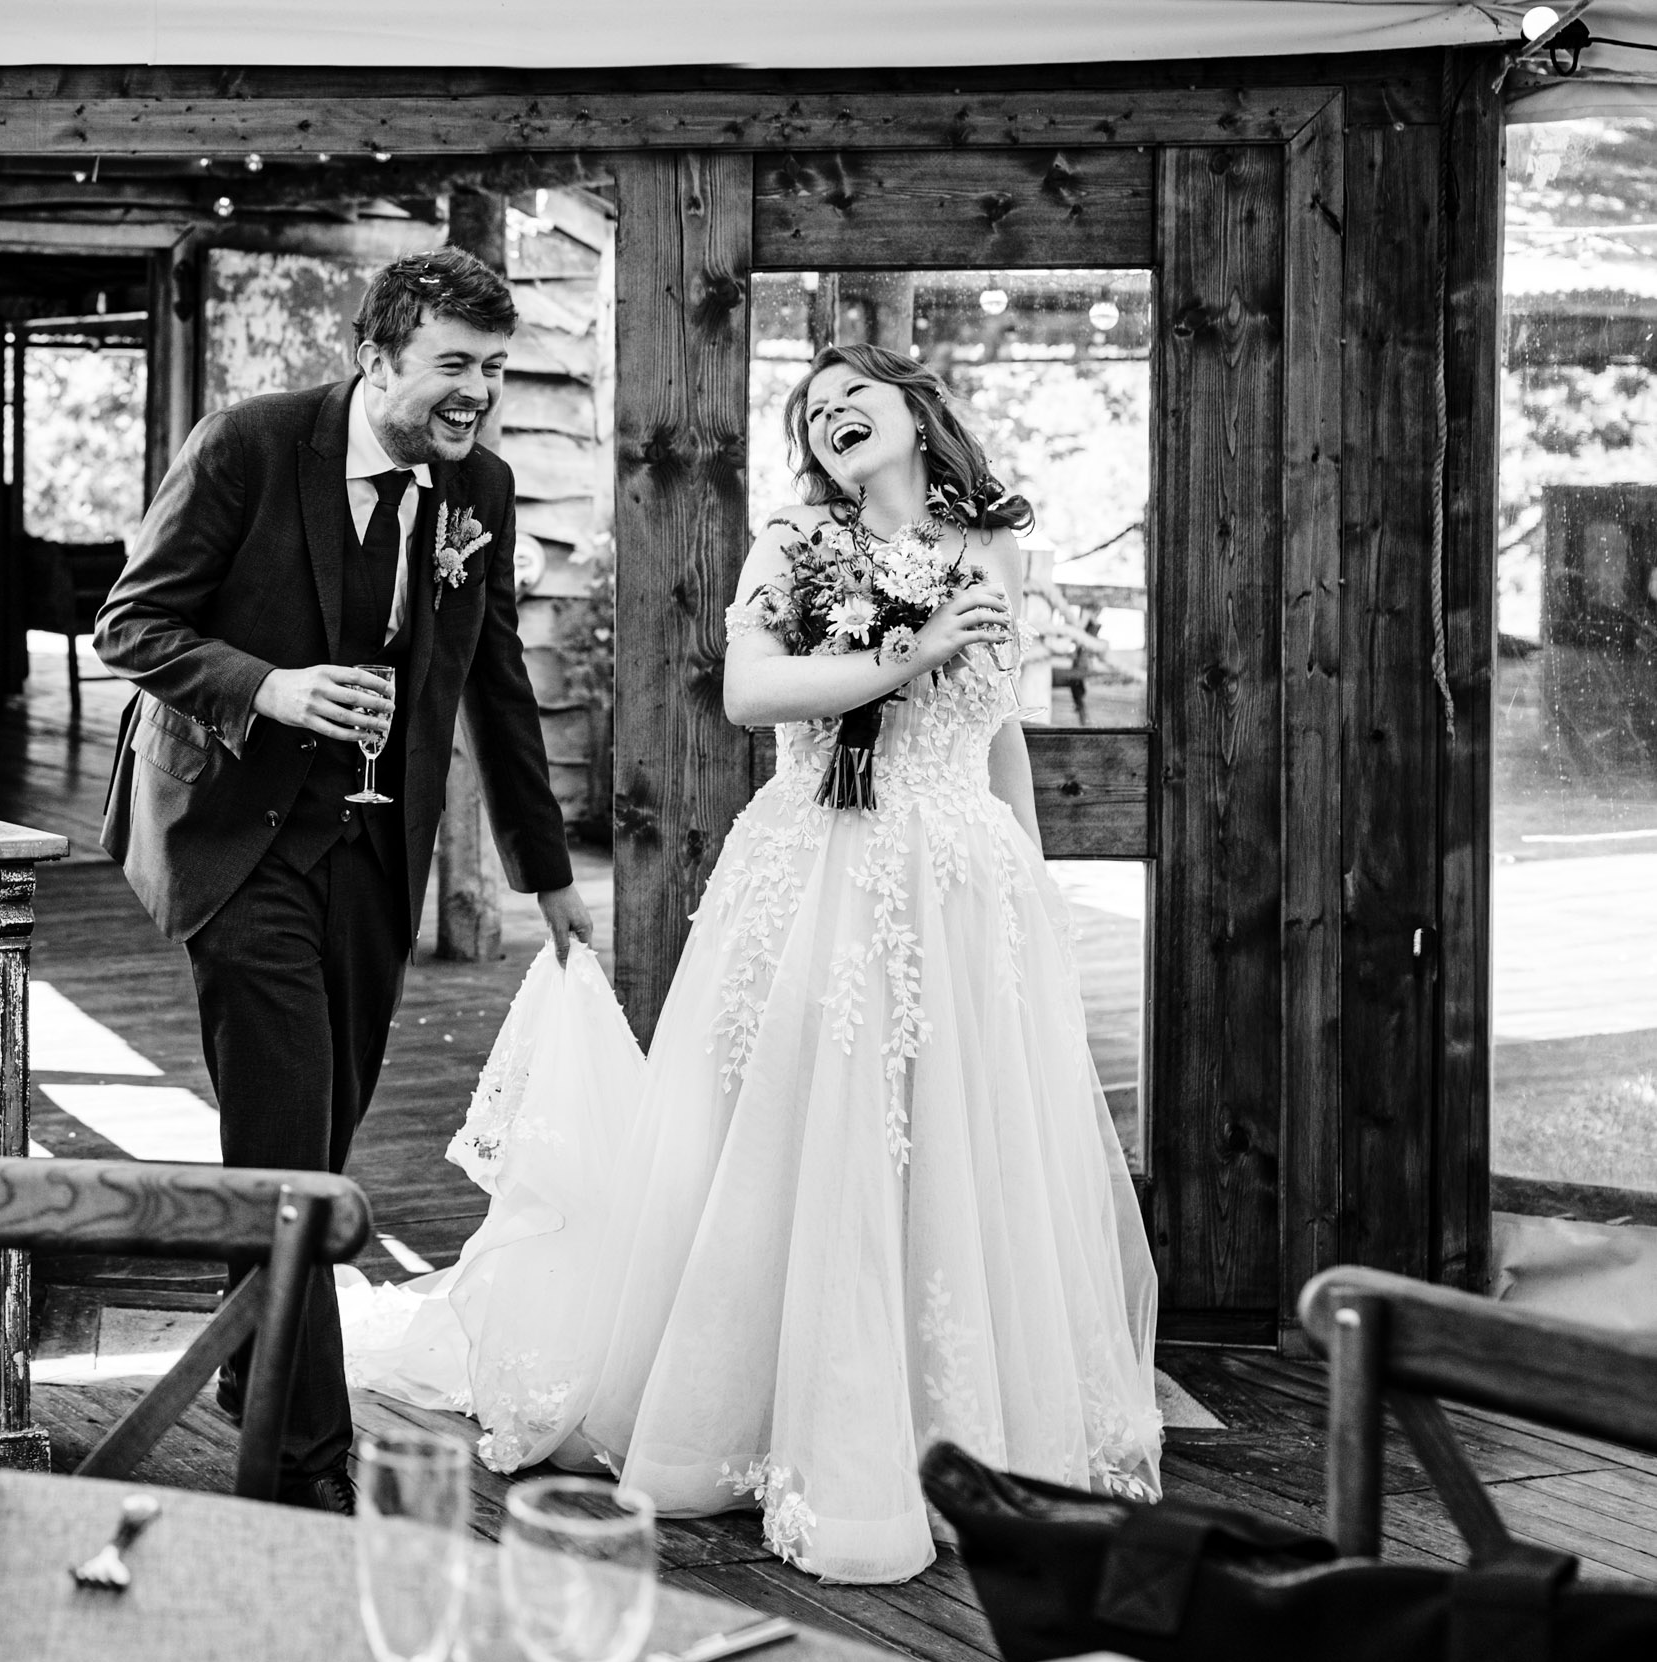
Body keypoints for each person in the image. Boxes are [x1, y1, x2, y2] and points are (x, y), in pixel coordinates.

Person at [343, 342, 1161, 1582]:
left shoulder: (996, 544)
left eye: (854, 399)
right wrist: (906, 649)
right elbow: (751, 693)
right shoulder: (792, 540)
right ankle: (763, 1415)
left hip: (954, 876)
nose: (832, 417)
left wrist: (1029, 890)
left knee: (947, 1133)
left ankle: (952, 1424)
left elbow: (997, 737)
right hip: (819, 865)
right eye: (813, 408)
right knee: (790, 1127)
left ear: (915, 412)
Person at [92, 248, 591, 1514]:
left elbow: (494, 683)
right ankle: (304, 1463)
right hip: (234, 832)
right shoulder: (249, 444)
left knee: (320, 1129)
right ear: (377, 357)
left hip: (375, 851)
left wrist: (548, 876)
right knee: (289, 1151)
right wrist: (274, 687)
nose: (477, 391)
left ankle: (251, 1362)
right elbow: (132, 626)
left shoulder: (480, 484)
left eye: (492, 366)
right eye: (454, 366)